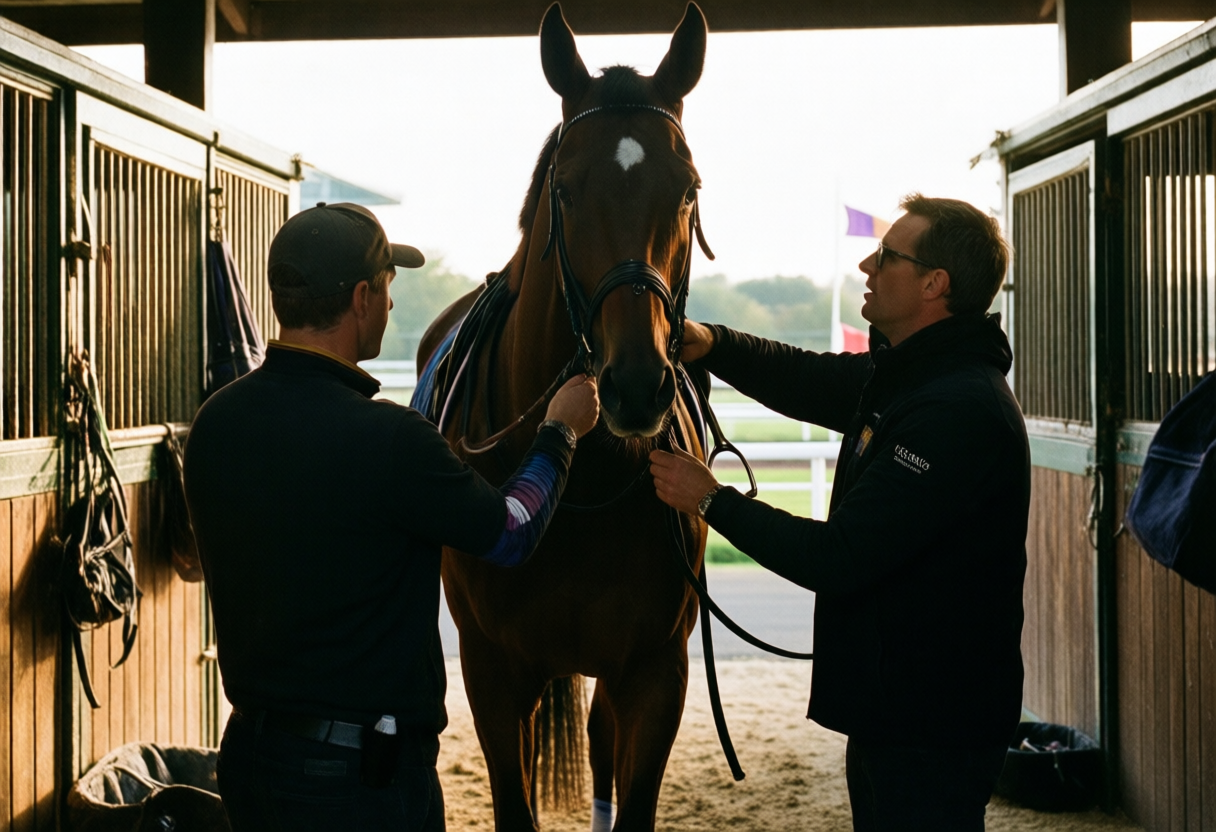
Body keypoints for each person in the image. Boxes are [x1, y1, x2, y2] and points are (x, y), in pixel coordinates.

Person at [183, 202, 599, 832]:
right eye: (386, 289)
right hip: (363, 782)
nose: (392, 306)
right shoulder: (393, 440)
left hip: (251, 760)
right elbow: (511, 532)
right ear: (360, 298)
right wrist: (559, 434)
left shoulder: (215, 423)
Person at [650, 193, 1029, 831]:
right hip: (902, 707)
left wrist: (711, 500)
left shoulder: (953, 410)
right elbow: (808, 377)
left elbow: (840, 557)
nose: (866, 265)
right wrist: (713, 342)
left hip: (933, 721)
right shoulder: (916, 376)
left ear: (934, 283)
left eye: (887, 256)